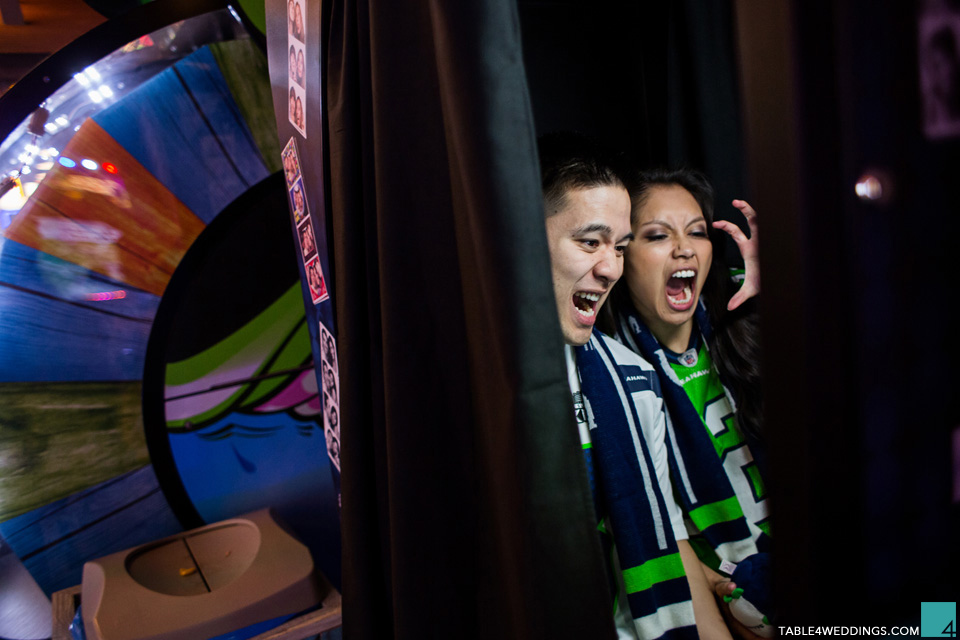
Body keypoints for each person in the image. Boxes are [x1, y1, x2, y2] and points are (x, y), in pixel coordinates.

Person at [539, 133, 730, 640]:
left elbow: (663, 539)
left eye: (618, 247)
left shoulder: (635, 382)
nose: (609, 268)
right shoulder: (471, 384)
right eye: (589, 242)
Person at [602, 167, 768, 638]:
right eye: (657, 235)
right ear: (620, 256)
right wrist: (721, 585)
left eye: (697, 232)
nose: (684, 248)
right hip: (743, 593)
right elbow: (662, 527)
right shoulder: (610, 373)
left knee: (937, 621)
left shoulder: (750, 316)